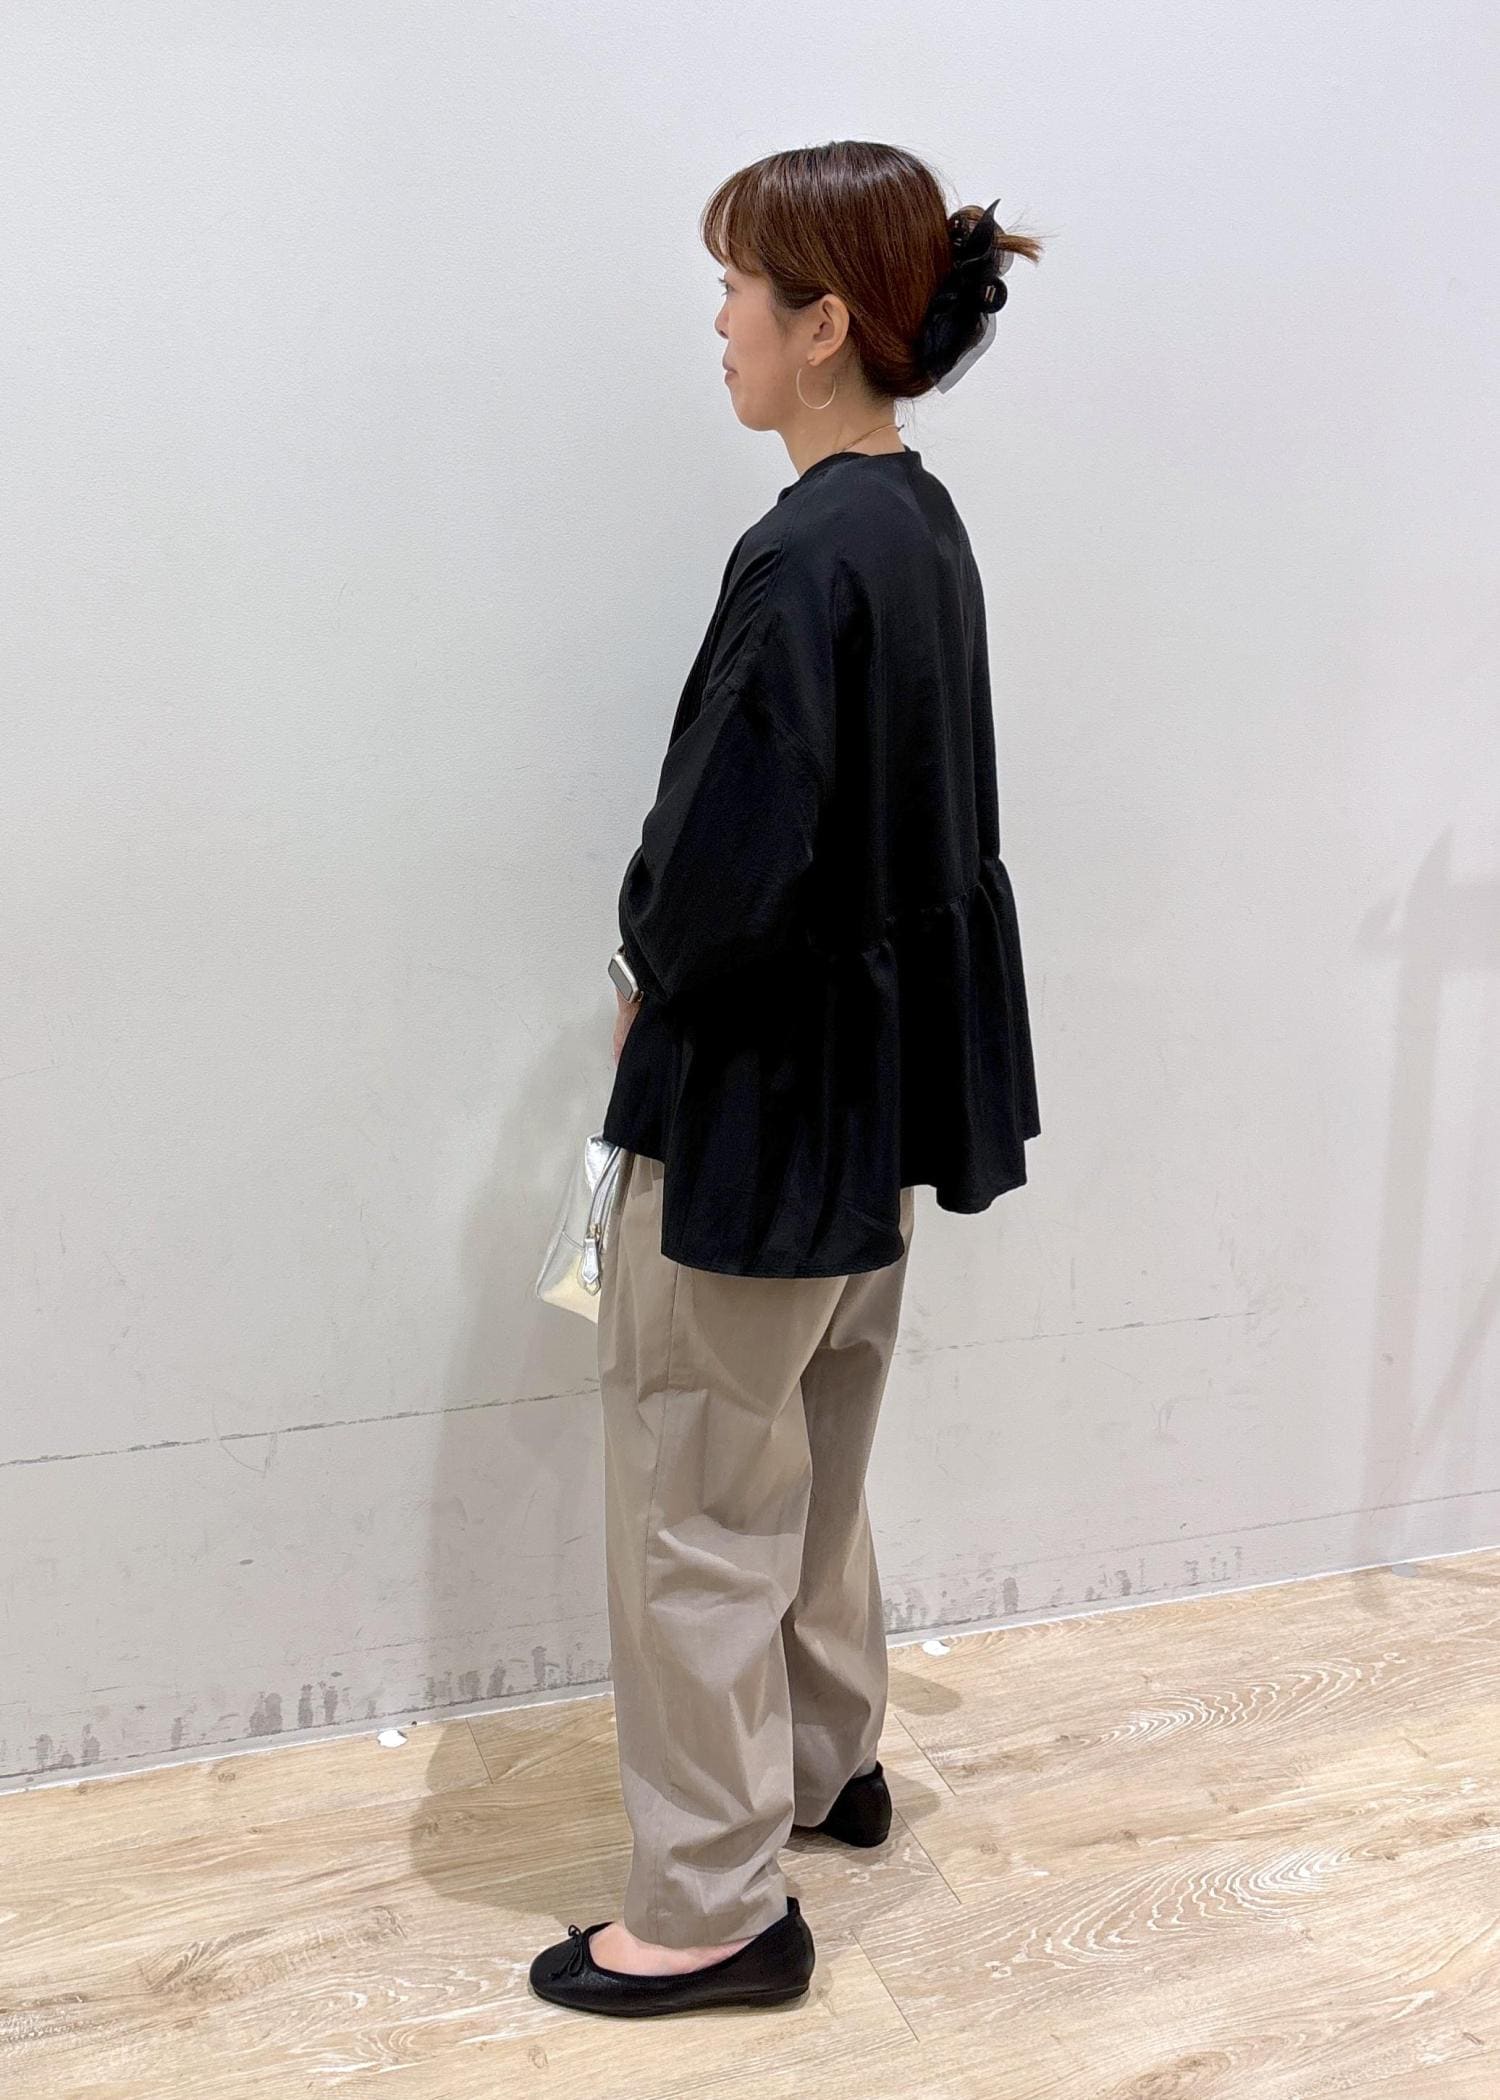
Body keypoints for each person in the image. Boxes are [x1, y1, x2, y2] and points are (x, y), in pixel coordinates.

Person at [530, 138, 1043, 2019]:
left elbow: (721, 860)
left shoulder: (802, 551)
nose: (721, 326)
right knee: (813, 1460)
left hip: (754, 1113)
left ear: (825, 326)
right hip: (871, 1104)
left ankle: (707, 1904)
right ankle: (827, 1764)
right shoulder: (916, 523)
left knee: (697, 1496)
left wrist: (638, 975)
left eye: (738, 290)